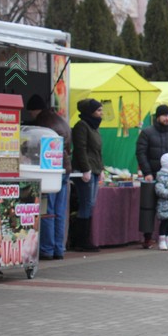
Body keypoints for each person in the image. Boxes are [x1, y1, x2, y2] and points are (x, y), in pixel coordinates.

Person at [26, 94, 72, 260]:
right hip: (64, 170)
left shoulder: (43, 124)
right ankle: (59, 249)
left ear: (35, 110)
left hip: (51, 172)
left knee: (47, 211)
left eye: (30, 112)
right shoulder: (59, 120)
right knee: (59, 212)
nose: (30, 115)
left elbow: (35, 148)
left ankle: (46, 249)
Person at [136, 104, 168, 249]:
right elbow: (141, 153)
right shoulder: (147, 133)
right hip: (153, 175)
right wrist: (147, 172)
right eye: (164, 115)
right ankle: (147, 237)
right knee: (149, 208)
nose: (167, 118)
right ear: (158, 116)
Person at [71, 98, 104, 252]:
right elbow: (80, 149)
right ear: (90, 112)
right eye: (98, 110)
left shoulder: (94, 127)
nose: (101, 113)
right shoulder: (81, 126)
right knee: (86, 204)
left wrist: (101, 169)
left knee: (90, 204)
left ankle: (85, 239)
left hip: (95, 170)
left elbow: (97, 151)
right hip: (86, 171)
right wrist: (86, 169)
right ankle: (80, 240)